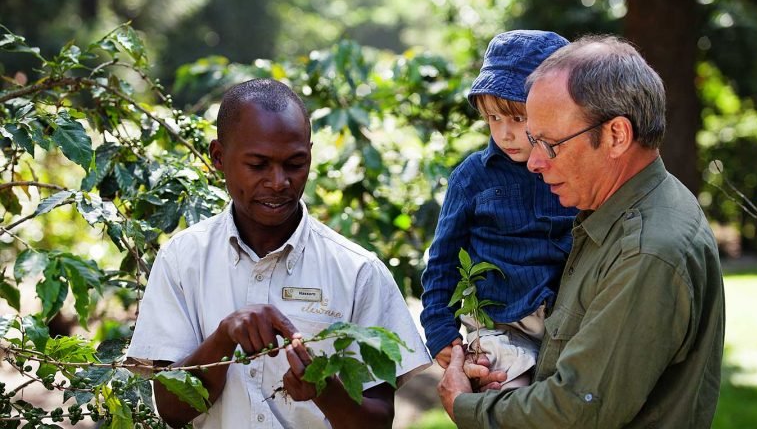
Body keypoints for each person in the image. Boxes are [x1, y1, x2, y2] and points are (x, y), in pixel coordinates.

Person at [438, 35, 725, 428]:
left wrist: (463, 406)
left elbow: (576, 410)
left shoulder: (646, 252)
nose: (534, 163)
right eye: (533, 139)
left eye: (550, 144)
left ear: (616, 136)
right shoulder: (614, 208)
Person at [127, 78, 431, 429]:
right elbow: (172, 411)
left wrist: (323, 389)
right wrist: (223, 338)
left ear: (310, 155)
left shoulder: (358, 271)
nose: (278, 181)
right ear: (219, 158)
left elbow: (378, 421)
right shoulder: (182, 261)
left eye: (295, 163)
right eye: (258, 165)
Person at [420, 30, 577, 388]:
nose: (504, 134)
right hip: (499, 327)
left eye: (518, 119)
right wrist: (440, 330)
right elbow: (442, 259)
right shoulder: (473, 177)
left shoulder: (573, 171)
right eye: (493, 119)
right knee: (505, 404)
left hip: (565, 325)